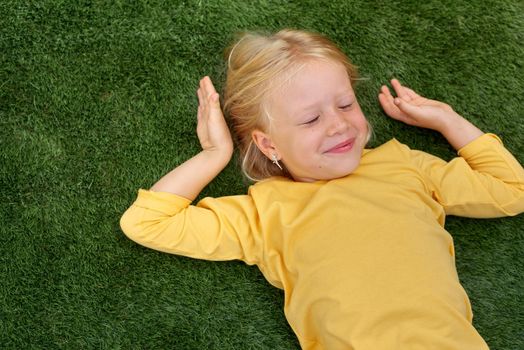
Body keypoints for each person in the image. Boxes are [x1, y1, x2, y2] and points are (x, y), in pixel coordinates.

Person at [120, 29, 524, 349]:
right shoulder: (265, 212)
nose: (339, 124)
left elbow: (512, 189)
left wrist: (447, 121)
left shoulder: (404, 165)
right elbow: (148, 223)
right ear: (269, 145)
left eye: (346, 104)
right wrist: (214, 154)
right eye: (311, 118)